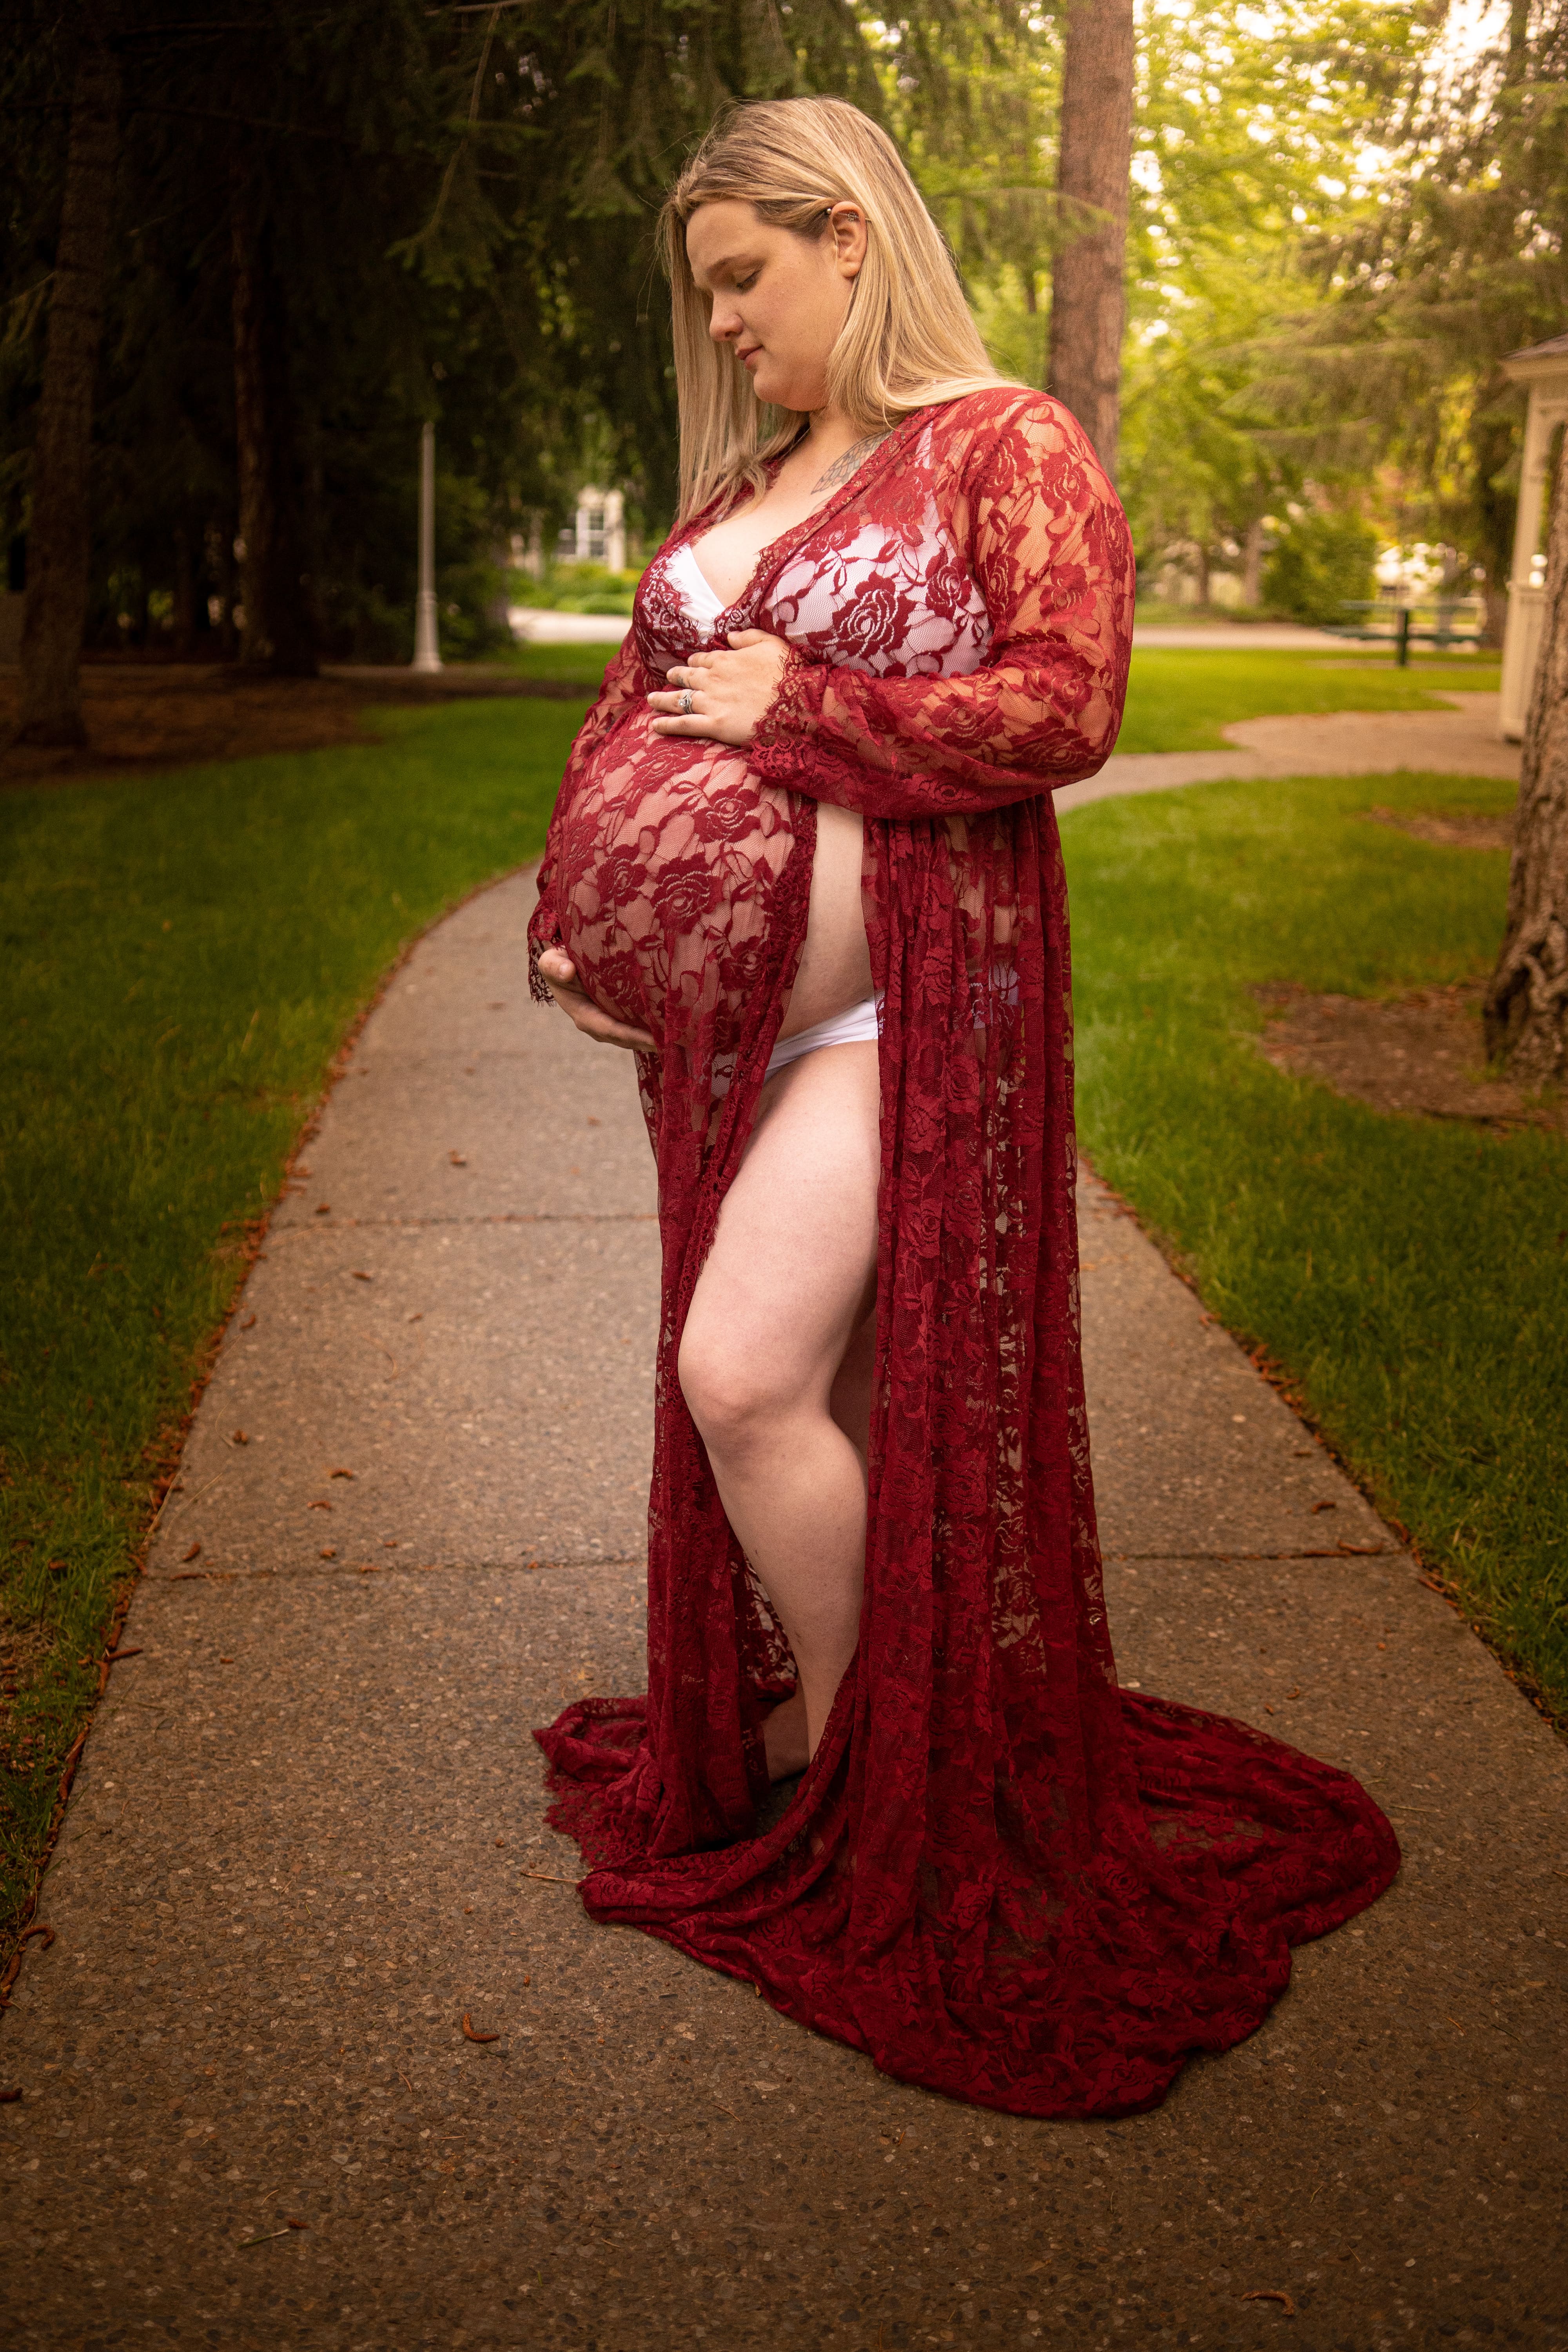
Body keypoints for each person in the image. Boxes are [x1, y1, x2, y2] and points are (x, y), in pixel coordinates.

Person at [529, 95, 1397, 2119]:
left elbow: (1065, 700)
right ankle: (878, 1743)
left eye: (746, 278)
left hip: (899, 1016)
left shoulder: (1003, 446)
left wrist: (803, 710)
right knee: (809, 1403)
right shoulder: (747, 480)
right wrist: (585, 919)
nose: (725, 323)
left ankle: (875, 1789)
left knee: (745, 1377)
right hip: (726, 1045)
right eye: (706, 295)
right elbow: (630, 716)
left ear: (849, 236)